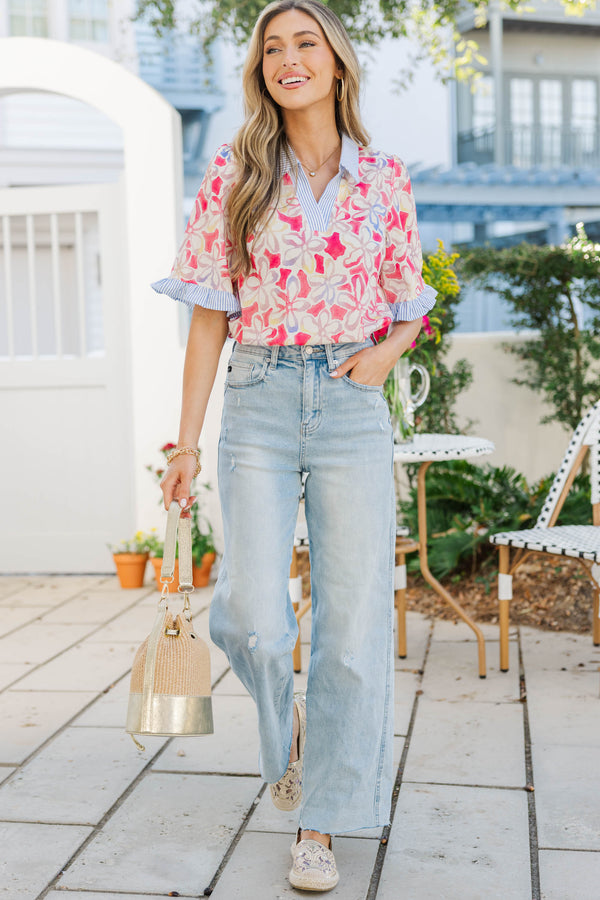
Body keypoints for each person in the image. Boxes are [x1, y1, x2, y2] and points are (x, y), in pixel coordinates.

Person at [154, 0, 436, 891]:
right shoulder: (234, 174)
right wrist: (186, 445)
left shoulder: (385, 178)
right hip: (260, 395)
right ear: (261, 71)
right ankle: (300, 742)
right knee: (246, 612)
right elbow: (207, 317)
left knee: (353, 627)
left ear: (338, 62)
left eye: (305, 42)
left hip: (351, 405)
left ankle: (320, 820)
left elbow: (410, 309)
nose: (288, 59)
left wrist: (379, 361)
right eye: (272, 48)